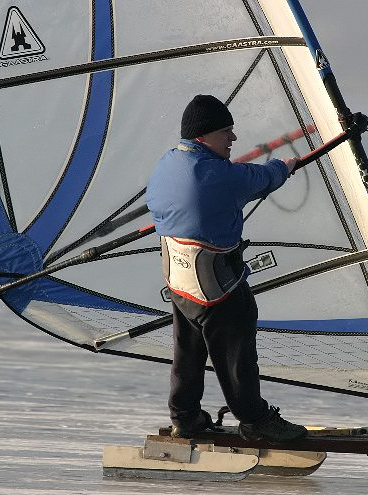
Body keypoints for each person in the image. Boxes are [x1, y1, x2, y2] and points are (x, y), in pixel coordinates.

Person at [145, 95, 307, 443]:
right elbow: (260, 177)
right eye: (226, 132)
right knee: (236, 355)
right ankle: (255, 421)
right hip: (220, 288)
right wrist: (285, 166)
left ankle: (185, 417)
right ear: (203, 135)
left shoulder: (165, 165)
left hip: (179, 283)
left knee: (187, 353)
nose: (233, 139)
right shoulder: (217, 175)